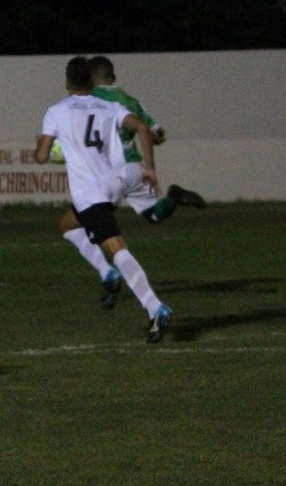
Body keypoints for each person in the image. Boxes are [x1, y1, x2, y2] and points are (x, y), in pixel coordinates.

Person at [35, 56, 173, 342]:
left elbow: (41, 156)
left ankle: (154, 306)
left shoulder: (57, 111)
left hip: (91, 194)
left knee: (118, 249)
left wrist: (45, 147)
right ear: (91, 82)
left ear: (66, 82)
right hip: (113, 186)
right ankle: (107, 274)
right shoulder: (110, 106)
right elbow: (144, 129)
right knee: (68, 225)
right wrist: (149, 169)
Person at [57, 55, 207, 309]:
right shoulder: (129, 101)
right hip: (135, 168)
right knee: (153, 215)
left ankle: (110, 276)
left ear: (91, 78)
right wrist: (151, 166)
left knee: (74, 226)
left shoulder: (89, 100)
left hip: (110, 174)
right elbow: (155, 133)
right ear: (112, 77)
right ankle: (173, 197)